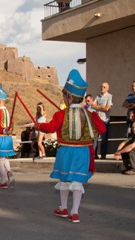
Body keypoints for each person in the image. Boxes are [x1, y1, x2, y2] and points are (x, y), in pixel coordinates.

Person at [34, 69, 106, 223]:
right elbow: (102, 129)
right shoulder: (91, 114)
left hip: (66, 151)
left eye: (64, 96)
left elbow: (50, 128)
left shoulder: (60, 115)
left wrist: (38, 126)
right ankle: (74, 212)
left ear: (69, 97)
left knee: (65, 179)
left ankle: (63, 207)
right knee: (77, 181)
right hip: (83, 152)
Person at [0, 86, 16, 189]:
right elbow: (12, 124)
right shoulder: (8, 113)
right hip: (7, 139)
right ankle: (9, 171)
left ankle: (3, 181)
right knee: (4, 158)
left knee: (0, 161)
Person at [92, 82, 113, 159]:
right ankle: (94, 154)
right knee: (95, 138)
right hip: (98, 119)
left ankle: (103, 154)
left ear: (107, 88)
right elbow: (92, 105)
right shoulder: (98, 96)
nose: (102, 88)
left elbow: (107, 108)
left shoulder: (109, 96)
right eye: (101, 87)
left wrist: (98, 107)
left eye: (104, 87)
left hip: (105, 120)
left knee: (104, 138)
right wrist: (101, 107)